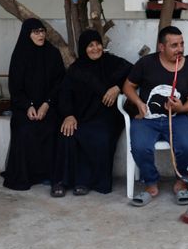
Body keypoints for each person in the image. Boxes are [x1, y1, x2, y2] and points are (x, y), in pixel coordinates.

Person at [123, 25, 188, 206]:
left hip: (177, 118)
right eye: (174, 45)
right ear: (161, 47)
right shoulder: (146, 63)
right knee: (140, 147)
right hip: (147, 119)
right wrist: (139, 103)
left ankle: (180, 182)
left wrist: (181, 108)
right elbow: (128, 86)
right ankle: (151, 184)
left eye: (181, 44)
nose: (180, 49)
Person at [52, 29, 131, 197]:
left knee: (98, 136)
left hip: (106, 115)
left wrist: (117, 87)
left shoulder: (112, 62)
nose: (95, 48)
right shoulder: (76, 70)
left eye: (98, 44)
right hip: (79, 115)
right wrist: (68, 115)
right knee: (66, 134)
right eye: (90, 45)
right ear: (83, 48)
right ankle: (62, 181)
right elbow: (64, 94)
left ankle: (86, 181)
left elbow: (134, 71)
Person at [2, 18, 65, 191]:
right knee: (24, 130)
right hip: (24, 107)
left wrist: (46, 104)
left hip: (49, 105)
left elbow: (59, 83)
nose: (40, 35)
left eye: (42, 31)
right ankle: (27, 175)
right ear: (27, 34)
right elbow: (15, 87)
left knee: (51, 128)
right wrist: (28, 105)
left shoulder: (52, 53)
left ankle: (48, 174)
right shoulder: (20, 55)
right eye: (35, 32)